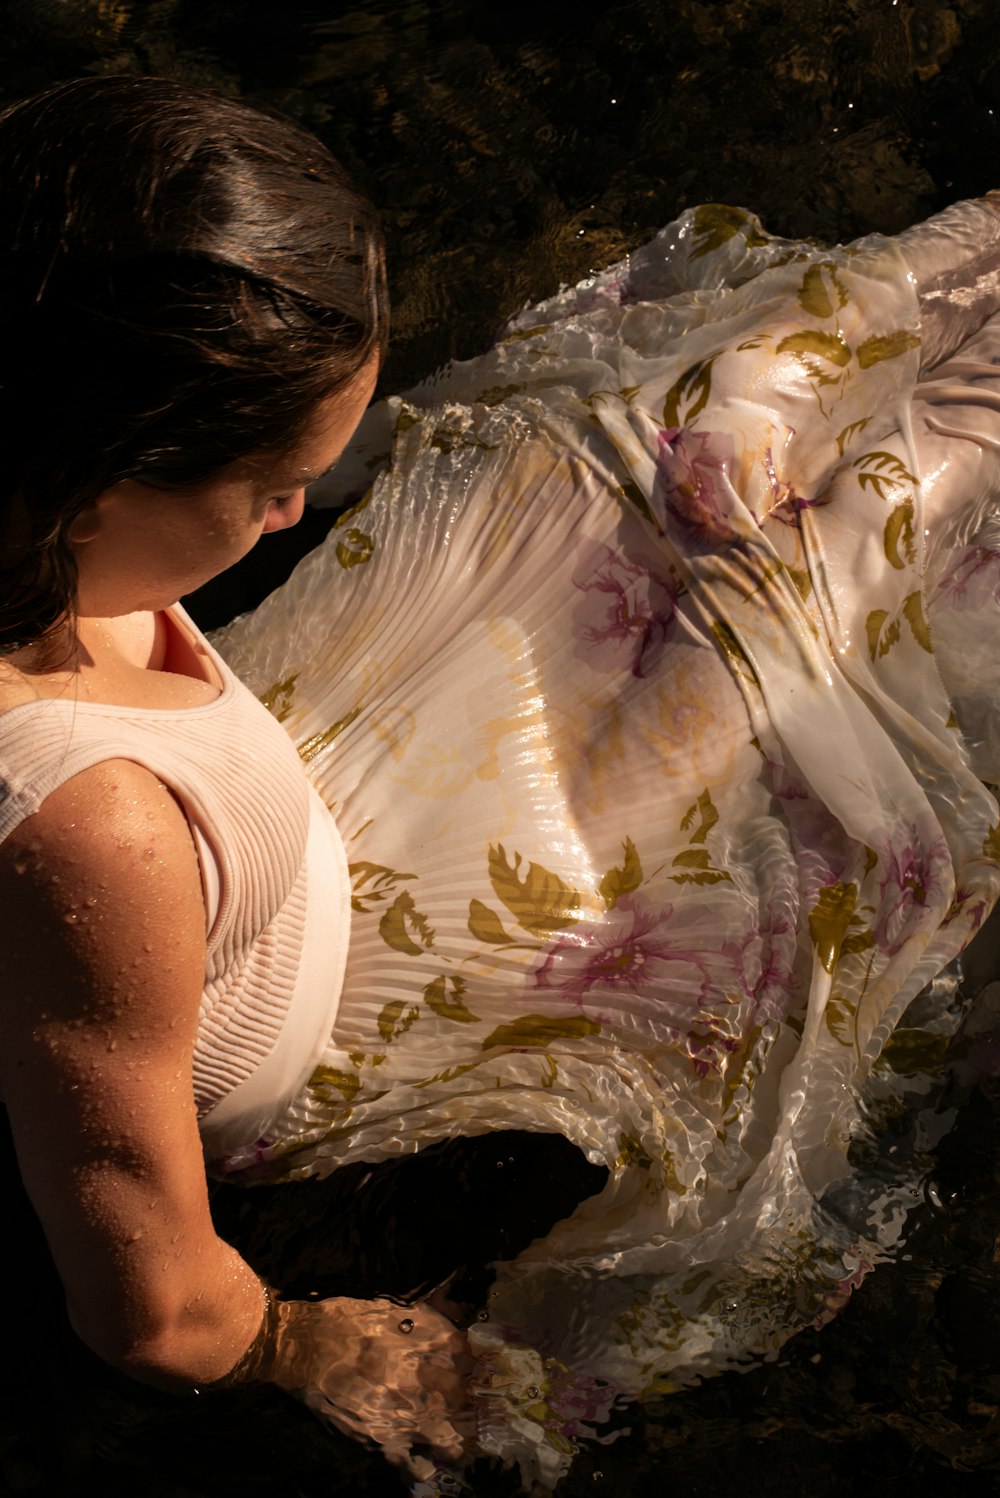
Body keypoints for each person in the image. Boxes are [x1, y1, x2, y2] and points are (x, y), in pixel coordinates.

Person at [1, 73, 999, 1496]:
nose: (299, 506)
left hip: (307, 769)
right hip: (372, 964)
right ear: (100, 484)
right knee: (828, 584)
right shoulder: (84, 829)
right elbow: (152, 1307)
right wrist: (294, 1342)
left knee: (694, 442)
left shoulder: (40, 499)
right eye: (275, 484)